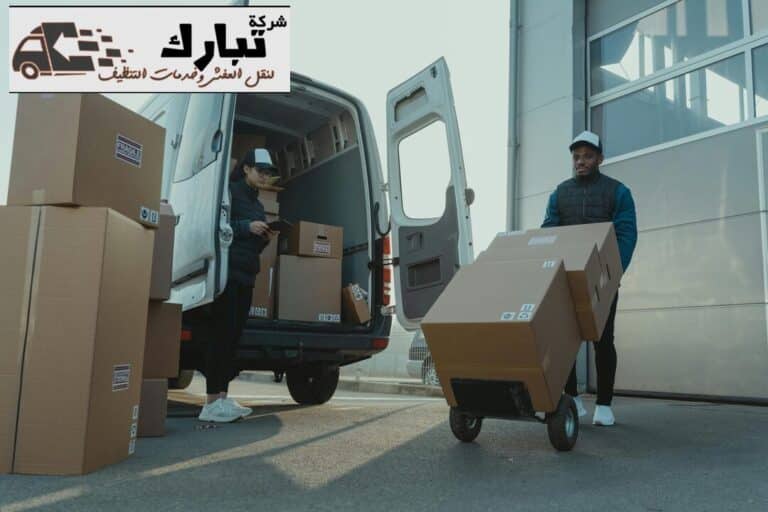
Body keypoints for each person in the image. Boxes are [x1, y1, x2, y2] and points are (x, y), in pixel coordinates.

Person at [541, 130, 637, 427]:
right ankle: (572, 398)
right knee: (565, 340)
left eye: (587, 156)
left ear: (600, 159)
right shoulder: (560, 193)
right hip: (565, 278)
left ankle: (604, 405)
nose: (580, 161)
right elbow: (549, 231)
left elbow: (626, 234)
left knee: (602, 340)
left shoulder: (618, 192)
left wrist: (613, 273)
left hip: (602, 280)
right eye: (576, 157)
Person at [198, 148, 279, 423]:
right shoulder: (229, 193)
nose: (265, 177)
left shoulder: (258, 205)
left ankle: (222, 398)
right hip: (227, 274)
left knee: (233, 339)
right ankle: (210, 403)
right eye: (260, 171)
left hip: (247, 275)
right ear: (246, 169)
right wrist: (247, 227)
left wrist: (264, 237)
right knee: (220, 337)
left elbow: (252, 243)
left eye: (268, 173)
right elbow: (215, 226)